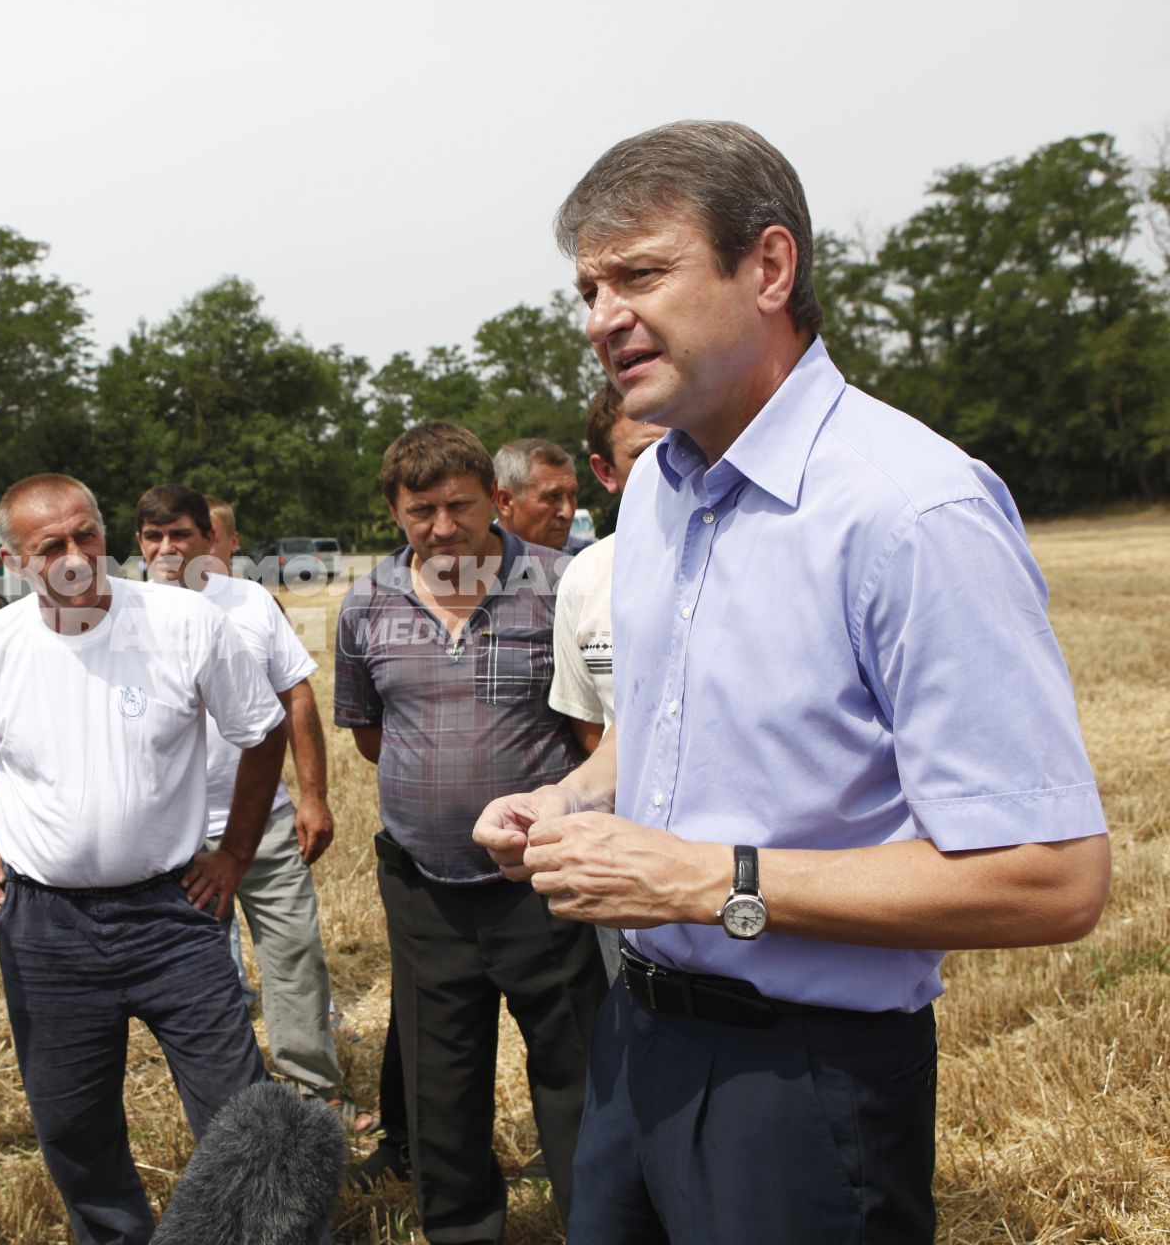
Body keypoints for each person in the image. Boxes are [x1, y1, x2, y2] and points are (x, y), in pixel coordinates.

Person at [474, 119, 1110, 1244]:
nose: (600, 317)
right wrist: (569, 804)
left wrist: (707, 878)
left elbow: (1052, 878)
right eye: (586, 287)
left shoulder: (912, 510)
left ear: (769, 267)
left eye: (640, 274)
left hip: (805, 1072)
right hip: (637, 1040)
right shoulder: (661, 486)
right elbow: (655, 726)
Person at [0, 473, 288, 1245]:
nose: (76, 556)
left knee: (242, 1114)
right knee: (75, 1130)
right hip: (47, 929)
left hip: (175, 914)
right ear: (16, 562)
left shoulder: (183, 622)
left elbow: (263, 728)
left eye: (87, 536)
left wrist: (236, 852)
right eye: (52, 546)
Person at [334, 421, 606, 1241]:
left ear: (496, 498)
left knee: (577, 1072)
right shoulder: (366, 604)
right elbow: (372, 732)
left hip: (545, 882)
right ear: (394, 512)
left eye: (460, 505)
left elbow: (603, 728)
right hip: (424, 891)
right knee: (441, 1085)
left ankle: (600, 1221)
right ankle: (461, 1229)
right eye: (422, 511)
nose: (444, 527)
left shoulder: (566, 586)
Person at [135, 484, 352, 1120]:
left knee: (294, 958)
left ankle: (315, 1095)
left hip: (267, 826)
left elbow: (298, 698)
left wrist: (313, 795)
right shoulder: (124, 614)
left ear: (210, 537)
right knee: (200, 981)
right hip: (175, 838)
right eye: (153, 536)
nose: (167, 548)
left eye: (180, 533)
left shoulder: (251, 601)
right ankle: (235, 1106)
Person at [544, 386, 667, 982]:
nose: (674, 464)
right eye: (645, 454)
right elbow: (591, 728)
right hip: (625, 854)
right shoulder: (587, 577)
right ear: (605, 472)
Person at [492, 438, 585, 552]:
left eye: (572, 494)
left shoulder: (595, 560)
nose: (568, 513)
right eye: (552, 496)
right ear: (505, 502)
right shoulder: (470, 563)